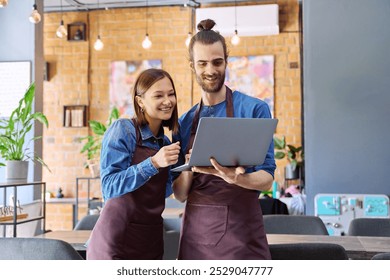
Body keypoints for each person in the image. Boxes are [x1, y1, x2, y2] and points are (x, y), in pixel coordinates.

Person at [172, 19, 276, 260]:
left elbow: (267, 180)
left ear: (226, 62)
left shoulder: (254, 110)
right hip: (197, 236)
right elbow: (180, 195)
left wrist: (237, 178)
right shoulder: (184, 123)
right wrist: (189, 167)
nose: (211, 70)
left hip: (242, 235)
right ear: (192, 67)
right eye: (203, 63)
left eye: (217, 62)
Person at [87, 68, 181, 260]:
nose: (167, 101)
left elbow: (159, 192)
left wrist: (187, 168)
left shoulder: (166, 144)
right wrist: (153, 163)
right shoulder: (124, 130)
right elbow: (109, 186)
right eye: (158, 95)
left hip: (150, 240)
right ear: (140, 101)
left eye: (171, 94)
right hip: (116, 240)